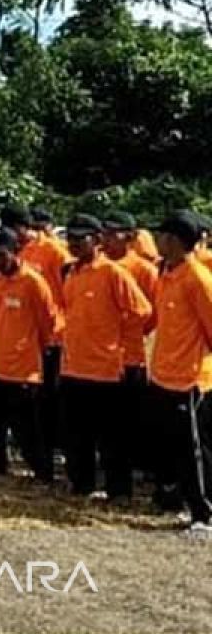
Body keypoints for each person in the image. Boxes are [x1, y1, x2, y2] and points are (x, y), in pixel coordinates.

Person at [59, 214, 152, 502]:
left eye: (80, 239)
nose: (73, 244)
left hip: (106, 369)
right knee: (78, 434)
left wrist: (120, 349)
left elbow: (142, 312)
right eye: (70, 239)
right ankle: (82, 484)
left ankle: (119, 491)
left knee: (113, 437)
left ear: (97, 241)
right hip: (75, 366)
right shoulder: (71, 274)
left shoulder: (113, 274)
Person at [148, 211, 212, 534]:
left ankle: (203, 514)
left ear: (173, 240)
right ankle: (180, 500)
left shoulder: (197, 278)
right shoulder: (167, 275)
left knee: (193, 450)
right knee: (172, 447)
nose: (156, 240)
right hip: (163, 376)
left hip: (189, 379)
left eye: (161, 235)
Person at [0, 227, 58, 483]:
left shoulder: (33, 282)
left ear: (16, 252)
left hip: (24, 370)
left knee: (28, 430)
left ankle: (43, 473)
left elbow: (48, 323)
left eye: (0, 255)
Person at [4, 204, 70, 465]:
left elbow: (69, 290)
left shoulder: (54, 251)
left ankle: (50, 449)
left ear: (24, 226)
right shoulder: (17, 251)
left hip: (52, 334)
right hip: (23, 333)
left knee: (48, 398)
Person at [102, 212, 161, 475]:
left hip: (131, 355)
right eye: (105, 232)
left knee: (131, 417)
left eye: (113, 232)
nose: (107, 238)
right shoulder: (97, 266)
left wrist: (131, 334)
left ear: (130, 236)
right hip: (100, 357)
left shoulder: (143, 270)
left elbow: (152, 314)